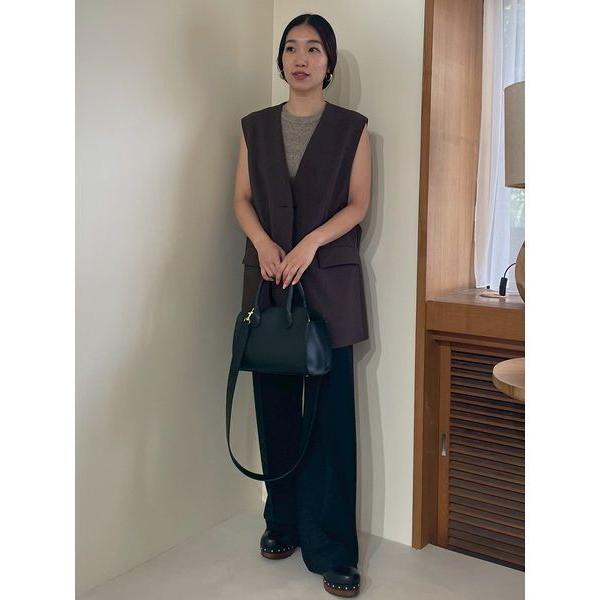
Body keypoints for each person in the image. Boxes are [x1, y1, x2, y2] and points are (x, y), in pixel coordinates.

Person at [232, 13, 371, 598]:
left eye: (314, 49)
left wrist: (311, 242)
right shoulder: (256, 127)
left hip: (328, 286)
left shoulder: (352, 129)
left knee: (330, 419)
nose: (301, 58)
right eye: (291, 48)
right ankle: (281, 522)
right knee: (275, 410)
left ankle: (333, 549)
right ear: (281, 60)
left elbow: (358, 204)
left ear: (329, 62)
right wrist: (264, 243)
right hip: (269, 284)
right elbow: (241, 198)